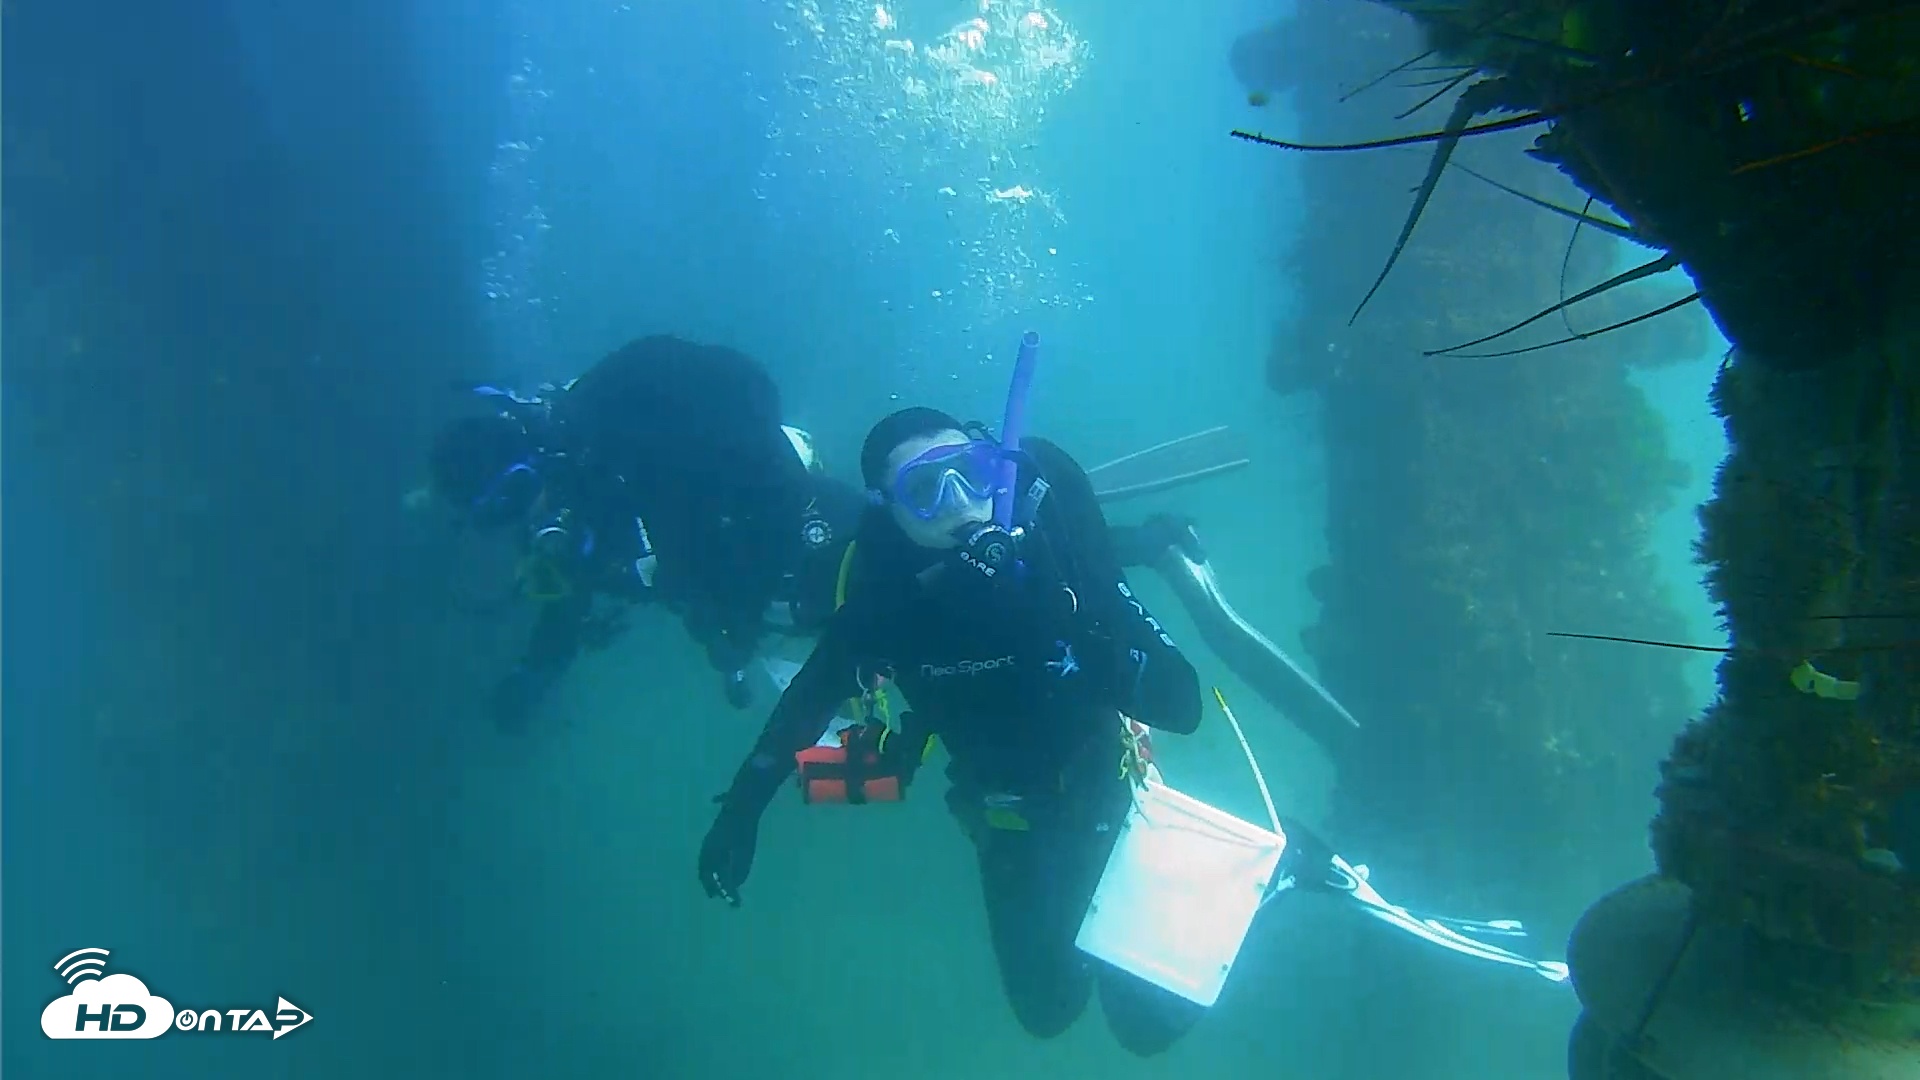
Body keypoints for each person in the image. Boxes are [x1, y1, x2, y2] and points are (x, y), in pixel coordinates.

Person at [695, 395, 1312, 1055]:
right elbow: (805, 704)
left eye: (973, 472)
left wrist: (1061, 623)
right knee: (1046, 1012)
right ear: (891, 512)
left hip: (1115, 794)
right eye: (926, 490)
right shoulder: (888, 605)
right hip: (1004, 823)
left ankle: (1273, 871)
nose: (962, 501)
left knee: (1145, 1029)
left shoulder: (1057, 550)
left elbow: (1180, 703)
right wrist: (741, 812)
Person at [427, 334, 865, 732]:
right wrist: (534, 673)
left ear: (532, 454)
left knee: (837, 564)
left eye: (522, 491)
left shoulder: (613, 449)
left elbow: (717, 515)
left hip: (769, 507)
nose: (535, 512)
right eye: (511, 512)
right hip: (732, 565)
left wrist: (732, 620)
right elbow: (566, 604)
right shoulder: (557, 525)